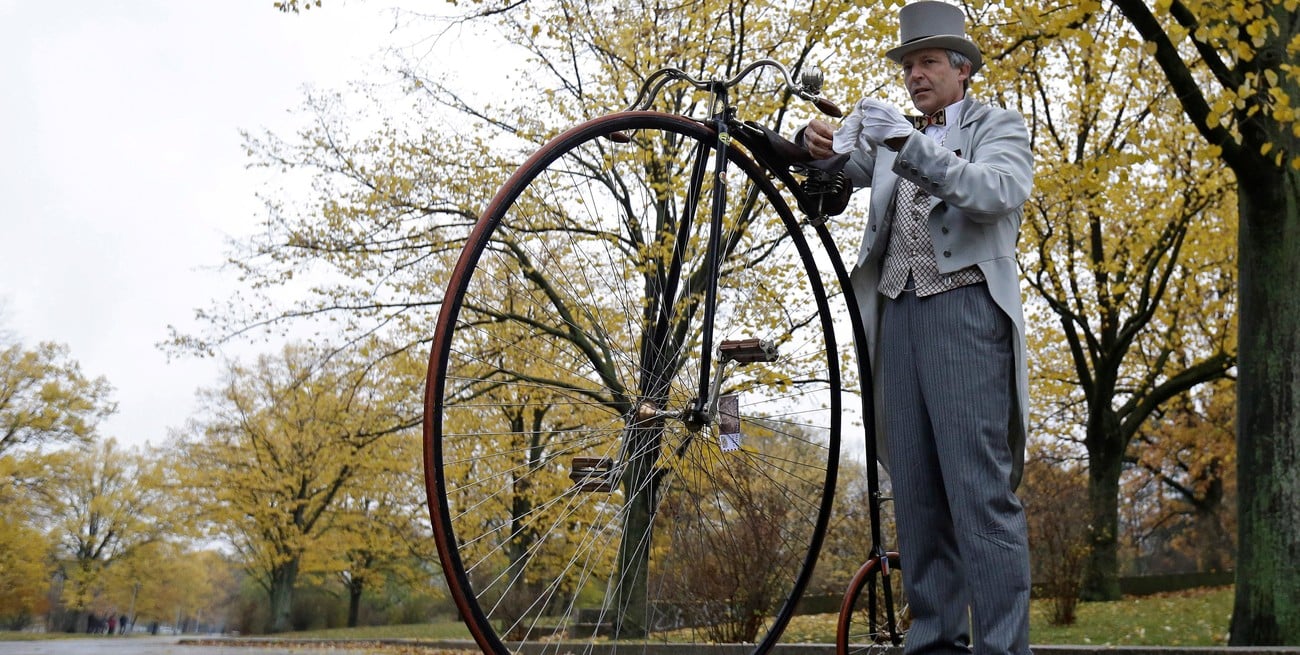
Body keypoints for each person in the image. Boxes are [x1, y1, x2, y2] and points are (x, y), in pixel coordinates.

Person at [802, 2, 1034, 653]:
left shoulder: (999, 126)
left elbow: (995, 192)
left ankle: (1002, 646)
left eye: (928, 61)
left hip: (965, 316)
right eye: (908, 64)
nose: (914, 75)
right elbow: (827, 177)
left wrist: (909, 145)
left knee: (978, 494)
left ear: (962, 70)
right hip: (896, 317)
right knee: (917, 495)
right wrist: (814, 140)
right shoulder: (889, 135)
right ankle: (932, 642)